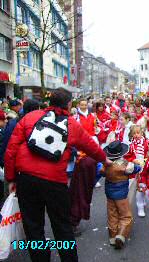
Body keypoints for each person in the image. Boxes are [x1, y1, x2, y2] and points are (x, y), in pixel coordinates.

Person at [4, 88, 112, 262]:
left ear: (49, 101)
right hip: (54, 182)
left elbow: (11, 151)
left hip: (26, 179)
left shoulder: (30, 117)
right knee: (62, 227)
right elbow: (91, 146)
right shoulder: (72, 125)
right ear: (69, 104)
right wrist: (105, 160)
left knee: (33, 228)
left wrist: (11, 178)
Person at [101, 141, 142, 249]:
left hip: (109, 193)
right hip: (121, 195)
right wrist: (136, 162)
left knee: (112, 215)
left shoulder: (105, 164)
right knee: (125, 215)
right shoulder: (125, 165)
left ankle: (112, 237)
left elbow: (100, 172)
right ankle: (121, 235)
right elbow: (137, 168)